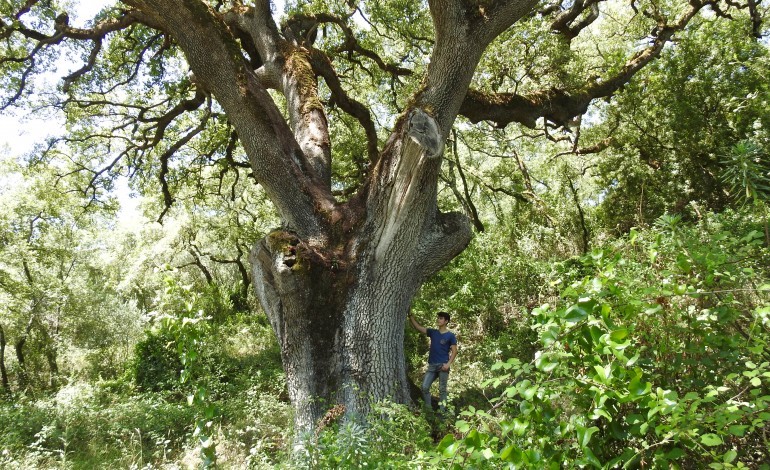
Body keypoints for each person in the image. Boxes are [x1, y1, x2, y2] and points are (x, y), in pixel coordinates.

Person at [408, 311, 458, 413]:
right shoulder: (433, 332)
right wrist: (410, 316)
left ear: (446, 321)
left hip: (443, 365)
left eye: (441, 318)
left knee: (442, 390)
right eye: (438, 318)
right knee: (424, 387)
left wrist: (448, 364)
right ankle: (429, 410)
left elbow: (454, 351)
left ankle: (442, 413)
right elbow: (419, 327)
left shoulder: (450, 335)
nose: (438, 320)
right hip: (432, 365)